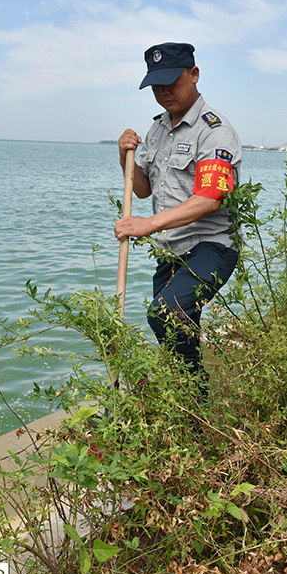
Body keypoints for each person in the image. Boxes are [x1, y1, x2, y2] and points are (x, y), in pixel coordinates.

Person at [115, 42, 242, 382]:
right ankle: (189, 407)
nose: (164, 91)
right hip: (171, 253)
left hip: (211, 247)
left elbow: (209, 199)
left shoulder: (215, 131)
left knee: (165, 312)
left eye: (172, 81)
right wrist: (124, 155)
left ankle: (192, 394)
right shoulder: (157, 129)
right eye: (157, 85)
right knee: (176, 332)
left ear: (194, 74)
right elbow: (142, 189)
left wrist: (148, 225)